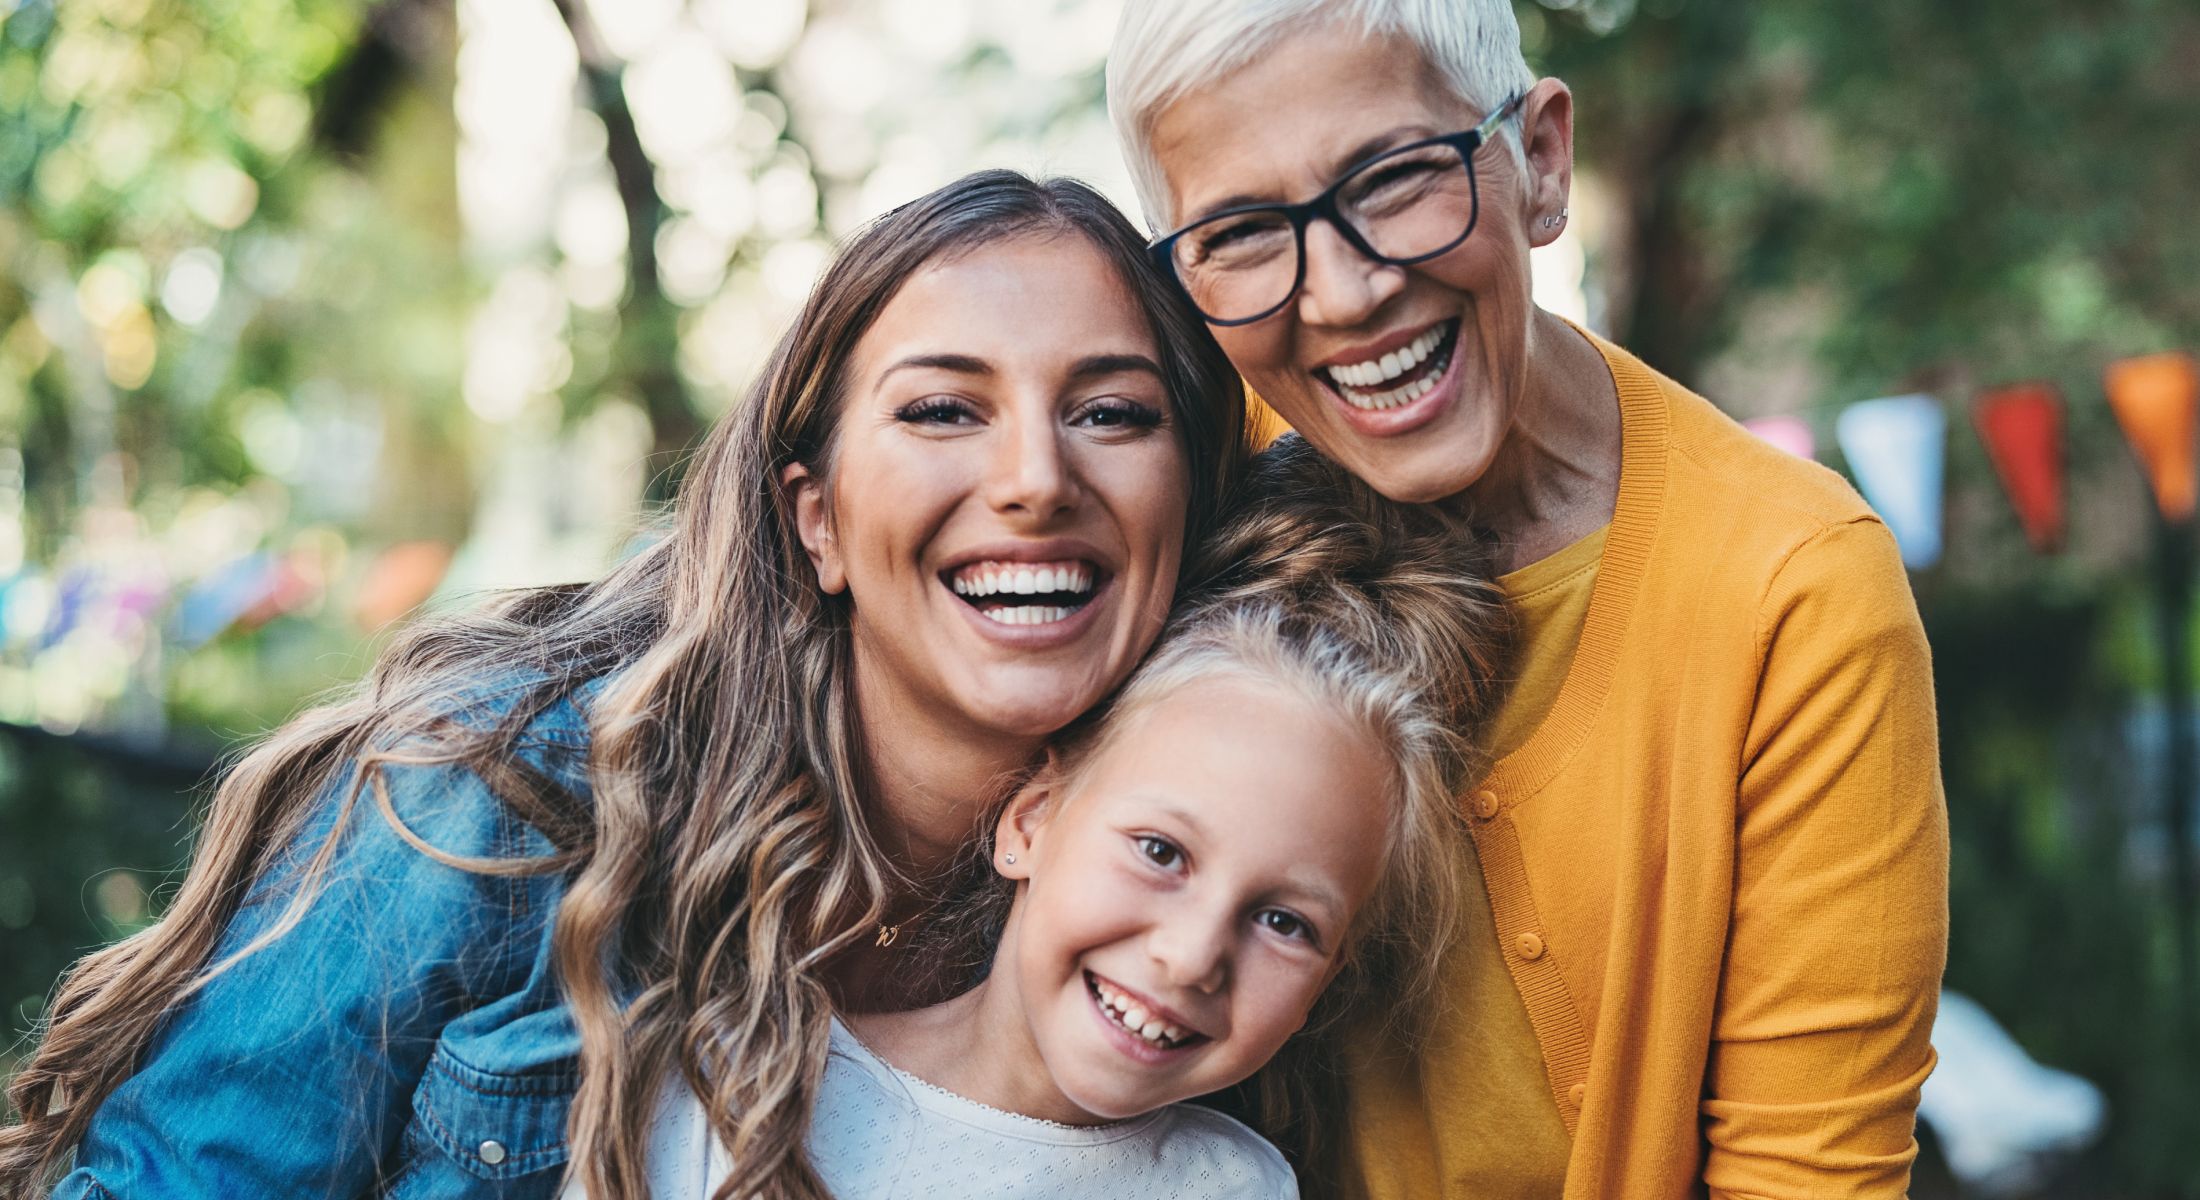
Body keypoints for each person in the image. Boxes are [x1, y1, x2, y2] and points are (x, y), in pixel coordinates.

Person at [0, 170, 1247, 1200]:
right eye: (941, 410)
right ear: (814, 521)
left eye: (1112, 414)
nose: (1035, 477)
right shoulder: (502, 795)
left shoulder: (1217, 899)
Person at [1107, 2, 1950, 1196]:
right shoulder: (1175, 491)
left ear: (1539, 159)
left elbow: (1807, 1174)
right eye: (1243, 233)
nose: (1343, 294)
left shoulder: (1789, 586)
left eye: (1394, 179)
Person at [597, 442, 1508, 1200]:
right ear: (1030, 821)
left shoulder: (1234, 1188)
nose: (1191, 956)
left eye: (1285, 922)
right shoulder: (741, 1082)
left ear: (1329, 978)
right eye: (1160, 852)